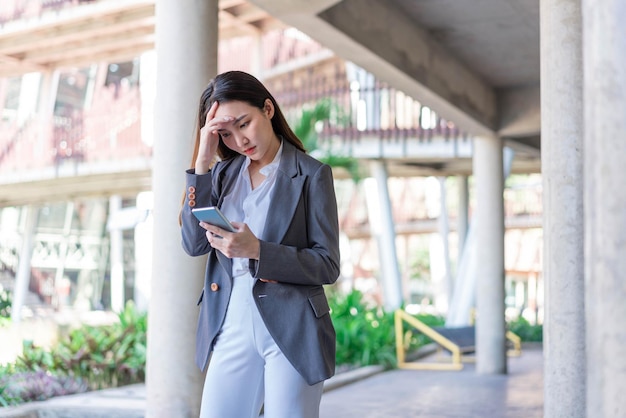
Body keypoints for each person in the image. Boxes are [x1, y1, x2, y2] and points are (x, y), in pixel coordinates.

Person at [180, 70, 341, 418]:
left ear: (267, 109)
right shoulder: (221, 175)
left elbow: (327, 264)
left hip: (293, 325)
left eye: (244, 123)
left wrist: (257, 251)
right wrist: (203, 163)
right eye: (225, 133)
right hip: (230, 318)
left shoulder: (312, 174)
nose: (239, 140)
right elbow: (194, 244)